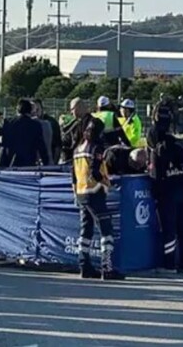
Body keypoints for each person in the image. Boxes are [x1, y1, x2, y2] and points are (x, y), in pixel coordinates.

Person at [149, 105, 183, 273]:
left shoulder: (158, 150)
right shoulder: (182, 145)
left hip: (168, 194)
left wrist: (156, 194)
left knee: (169, 231)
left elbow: (155, 175)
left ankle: (169, 264)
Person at [72, 119, 124, 280]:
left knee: (85, 231)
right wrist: (108, 182)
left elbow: (73, 176)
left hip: (81, 193)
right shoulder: (96, 148)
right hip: (95, 192)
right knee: (106, 230)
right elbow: (95, 173)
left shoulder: (77, 149)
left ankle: (84, 266)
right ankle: (107, 268)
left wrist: (76, 193)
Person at [0, 99, 50, 168]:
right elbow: (42, 148)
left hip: (7, 164)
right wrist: (46, 164)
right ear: (30, 111)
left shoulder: (7, 123)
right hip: (27, 165)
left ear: (17, 110)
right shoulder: (35, 126)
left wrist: (1, 148)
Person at [61, 97, 103, 164]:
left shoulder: (94, 122)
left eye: (72, 109)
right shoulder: (75, 124)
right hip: (76, 160)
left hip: (88, 160)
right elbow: (66, 141)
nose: (71, 112)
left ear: (80, 107)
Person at [34, 99, 62, 163]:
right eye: (33, 110)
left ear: (42, 109)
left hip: (48, 160)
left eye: (37, 110)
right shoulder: (30, 123)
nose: (35, 112)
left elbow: (58, 145)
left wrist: (54, 162)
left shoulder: (51, 123)